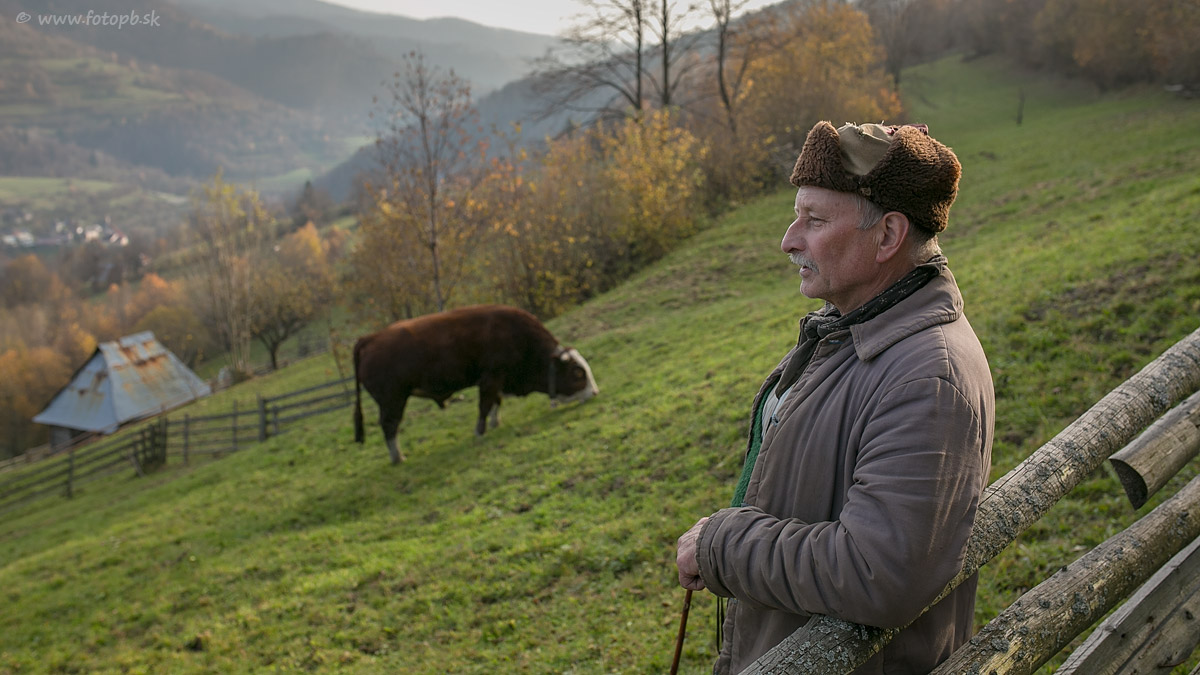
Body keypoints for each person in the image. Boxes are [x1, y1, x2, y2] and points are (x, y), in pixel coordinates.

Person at [676, 120, 994, 675]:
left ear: (889, 236)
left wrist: (721, 545)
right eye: (796, 215)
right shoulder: (850, 328)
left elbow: (878, 570)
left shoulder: (927, 380)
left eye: (815, 220)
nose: (789, 240)